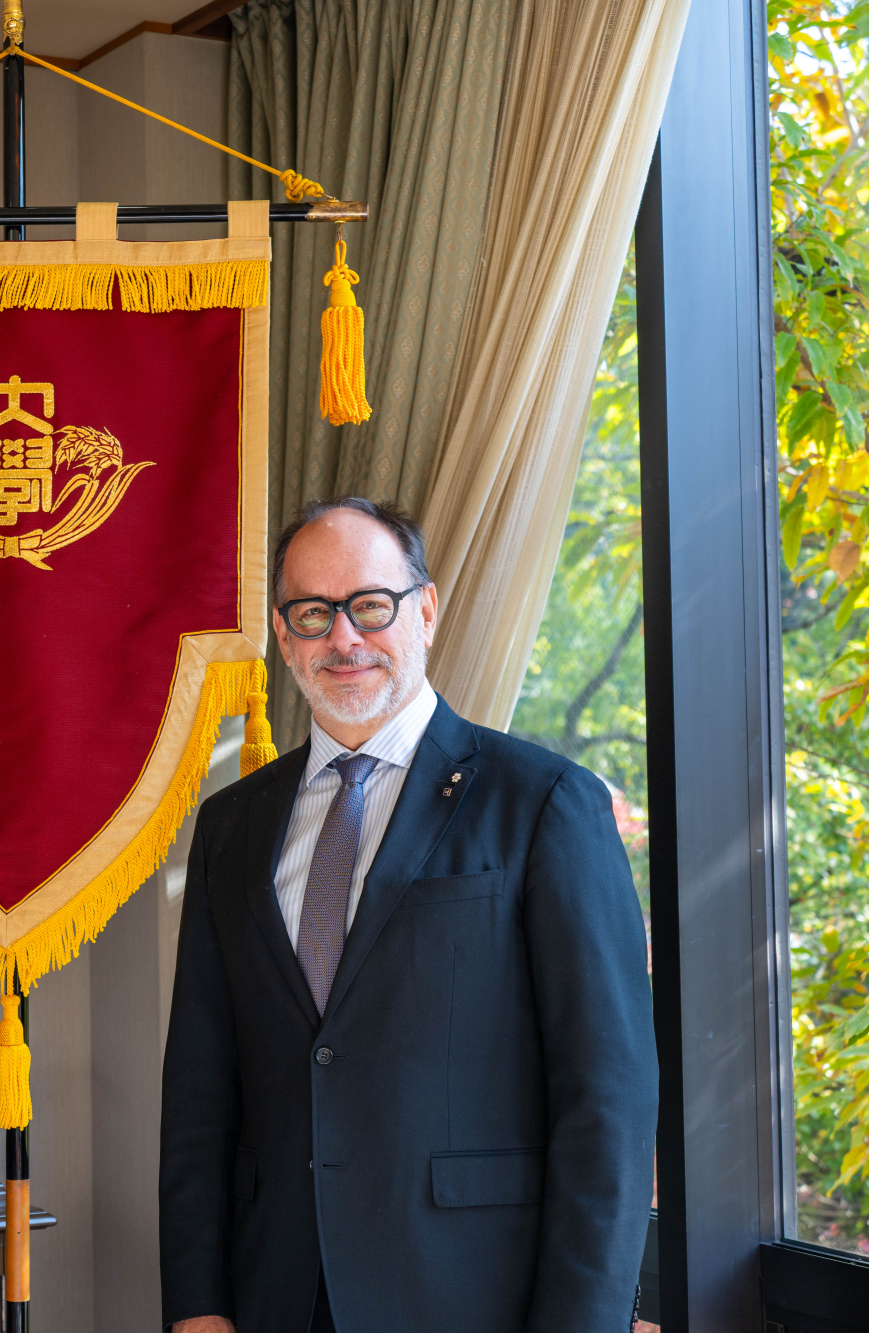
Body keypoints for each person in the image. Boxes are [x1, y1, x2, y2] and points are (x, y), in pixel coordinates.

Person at [160, 498, 657, 1333]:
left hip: (474, 1299)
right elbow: (200, 1089)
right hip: (274, 1294)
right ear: (284, 637)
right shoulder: (232, 826)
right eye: (313, 613)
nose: (344, 638)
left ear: (424, 610)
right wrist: (196, 1306)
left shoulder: (543, 803)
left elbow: (606, 1094)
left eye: (370, 605)